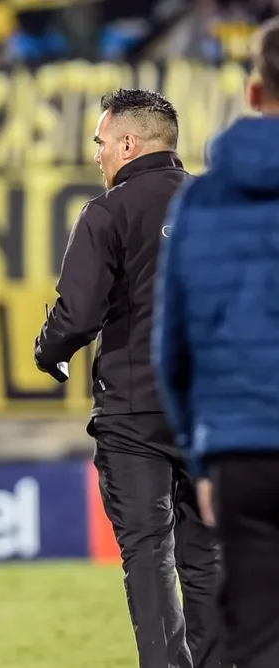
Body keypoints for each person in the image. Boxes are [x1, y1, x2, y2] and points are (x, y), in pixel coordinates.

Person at [33, 89, 223, 668]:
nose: (97, 154)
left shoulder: (106, 212)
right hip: (210, 412)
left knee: (147, 554)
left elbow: (78, 314)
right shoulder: (218, 205)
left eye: (100, 141)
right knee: (209, 555)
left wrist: (49, 351)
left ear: (128, 144)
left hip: (134, 411)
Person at [153, 17, 279, 668]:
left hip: (241, 451)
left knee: (255, 636)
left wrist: (201, 460)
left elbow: (173, 347)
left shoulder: (200, 202)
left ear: (254, 92)